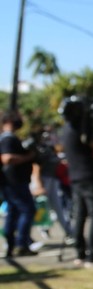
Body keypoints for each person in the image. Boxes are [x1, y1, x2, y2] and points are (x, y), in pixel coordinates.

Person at [59, 96, 93, 265]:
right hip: (89, 175)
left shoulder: (67, 129)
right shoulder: (82, 129)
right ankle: (92, 252)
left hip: (75, 177)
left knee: (80, 214)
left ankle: (80, 252)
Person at [1, 110, 38, 257]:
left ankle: (11, 245)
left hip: (12, 182)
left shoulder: (8, 138)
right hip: (14, 182)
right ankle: (21, 244)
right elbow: (6, 158)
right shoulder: (8, 139)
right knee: (27, 210)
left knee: (13, 212)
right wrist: (28, 156)